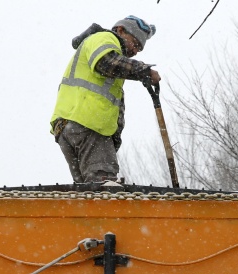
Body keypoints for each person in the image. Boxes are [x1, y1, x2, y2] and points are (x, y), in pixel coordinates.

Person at [50, 16, 161, 183]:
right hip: (89, 125)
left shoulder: (96, 45)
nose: (136, 51)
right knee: (104, 190)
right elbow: (107, 63)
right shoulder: (105, 38)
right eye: (136, 43)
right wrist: (143, 71)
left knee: (88, 194)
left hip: (68, 127)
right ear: (121, 30)